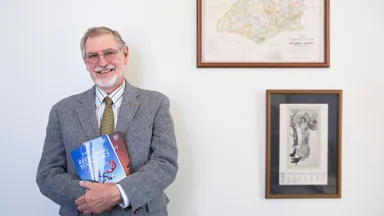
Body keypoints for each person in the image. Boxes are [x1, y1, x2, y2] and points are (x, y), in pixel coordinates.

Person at [36, 26, 178, 216]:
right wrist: (92, 196)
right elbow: (48, 174)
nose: (102, 62)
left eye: (109, 53)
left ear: (125, 54)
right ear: (85, 62)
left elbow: (165, 163)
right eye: (93, 56)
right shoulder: (62, 111)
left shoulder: (156, 104)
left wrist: (118, 193)